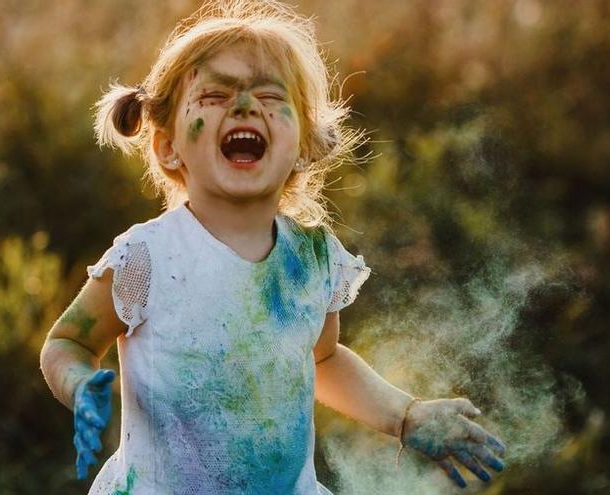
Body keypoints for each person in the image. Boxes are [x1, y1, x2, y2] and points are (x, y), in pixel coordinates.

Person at [39, 1, 507, 493]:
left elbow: (323, 359)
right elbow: (68, 342)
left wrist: (406, 416)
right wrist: (80, 387)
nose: (244, 107)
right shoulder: (148, 258)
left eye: (268, 93)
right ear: (166, 145)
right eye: (216, 94)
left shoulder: (312, 260)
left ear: (305, 143)